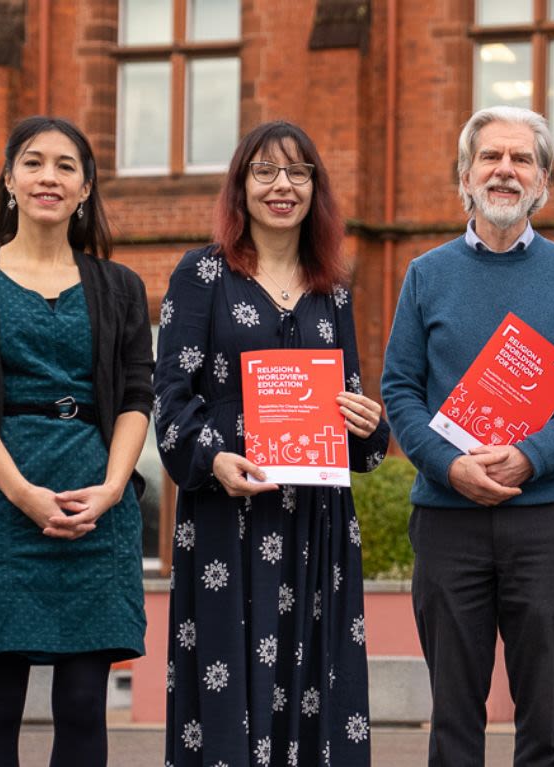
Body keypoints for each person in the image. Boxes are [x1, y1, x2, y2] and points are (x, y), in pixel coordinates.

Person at [380, 105, 554, 767]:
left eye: (522, 159)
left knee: (545, 713)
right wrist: (451, 468)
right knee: (454, 715)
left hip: (547, 518)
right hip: (448, 518)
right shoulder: (426, 273)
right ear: (465, 175)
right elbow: (399, 388)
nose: (505, 170)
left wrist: (530, 457)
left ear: (542, 183)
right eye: (490, 156)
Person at [156, 120, 390, 767]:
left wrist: (370, 424)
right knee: (227, 688)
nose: (282, 185)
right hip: (227, 516)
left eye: (298, 172)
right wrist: (211, 459)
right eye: (265, 171)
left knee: (319, 681)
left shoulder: (332, 289)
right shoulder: (201, 274)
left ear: (316, 188)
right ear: (241, 184)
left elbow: (355, 418)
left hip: (317, 524)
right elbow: (170, 397)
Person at [0, 116, 153, 767]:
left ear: (86, 188)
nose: (48, 176)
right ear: (9, 180)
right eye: (33, 162)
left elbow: (139, 396)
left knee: (84, 703)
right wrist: (23, 493)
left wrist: (112, 489)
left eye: (65, 165)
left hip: (96, 510)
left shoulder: (121, 288)